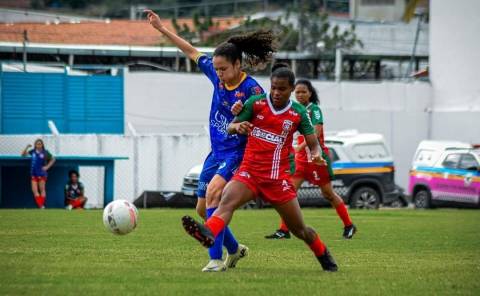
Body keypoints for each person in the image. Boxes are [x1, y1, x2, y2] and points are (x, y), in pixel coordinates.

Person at [145, 9, 275, 272]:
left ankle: (215, 261)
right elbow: (191, 51)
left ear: (238, 65)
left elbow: (265, 124)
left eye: (223, 69)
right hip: (215, 153)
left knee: (216, 193)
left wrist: (244, 118)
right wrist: (161, 29)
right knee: (203, 211)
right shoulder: (217, 77)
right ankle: (235, 249)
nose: (219, 74)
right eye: (216, 69)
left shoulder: (252, 89)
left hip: (236, 155)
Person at [181, 64, 338, 272]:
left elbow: (312, 141)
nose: (275, 93)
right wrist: (238, 126)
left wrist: (316, 154)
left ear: (291, 90)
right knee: (226, 203)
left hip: (277, 179)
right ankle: (207, 233)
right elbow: (231, 126)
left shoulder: (298, 112)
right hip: (249, 173)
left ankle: (323, 254)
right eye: (273, 87)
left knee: (299, 230)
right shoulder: (256, 103)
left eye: (281, 89)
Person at [265, 79, 357, 240]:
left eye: (303, 92)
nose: (300, 94)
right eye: (298, 92)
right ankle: (283, 230)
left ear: (310, 93)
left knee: (328, 194)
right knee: (288, 193)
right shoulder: (294, 109)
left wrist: (297, 148)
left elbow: (317, 130)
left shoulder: (314, 109)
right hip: (301, 160)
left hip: (317, 159)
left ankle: (349, 225)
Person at [21, 139, 55, 209]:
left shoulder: (45, 152)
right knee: (34, 190)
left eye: (40, 144)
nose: (38, 145)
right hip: (33, 173)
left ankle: (41, 206)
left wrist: (47, 167)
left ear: (42, 145)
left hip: (42, 174)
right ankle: (41, 205)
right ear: (35, 145)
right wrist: (27, 147)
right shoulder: (33, 151)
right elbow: (23, 155)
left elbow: (53, 159)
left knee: (42, 189)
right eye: (37, 144)